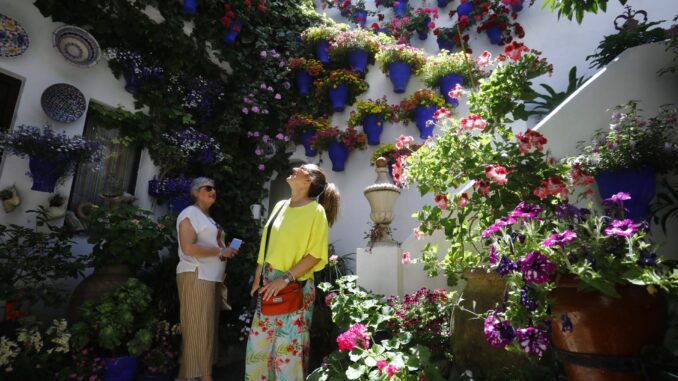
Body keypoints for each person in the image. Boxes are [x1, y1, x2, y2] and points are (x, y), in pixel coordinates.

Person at [245, 164, 340, 380]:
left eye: (303, 168)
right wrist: (258, 276)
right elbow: (266, 246)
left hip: (294, 286)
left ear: (309, 182)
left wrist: (285, 279)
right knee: (258, 348)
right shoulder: (279, 206)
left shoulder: (316, 213)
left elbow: (315, 254)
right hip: (267, 284)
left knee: (288, 352)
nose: (295, 168)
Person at [176, 177, 239, 381]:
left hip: (211, 278)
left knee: (204, 330)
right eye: (208, 188)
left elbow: (212, 248)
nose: (213, 191)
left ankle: (183, 377)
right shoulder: (189, 214)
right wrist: (221, 250)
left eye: (214, 188)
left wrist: (226, 251)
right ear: (195, 192)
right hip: (196, 275)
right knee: (199, 330)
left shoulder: (208, 218)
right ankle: (206, 378)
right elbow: (189, 248)